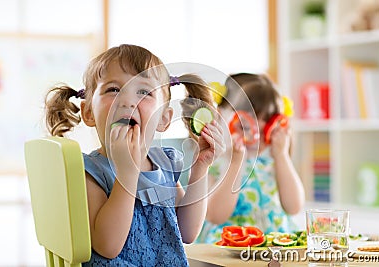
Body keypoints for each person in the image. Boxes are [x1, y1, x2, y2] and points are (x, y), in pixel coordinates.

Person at [44, 44, 225, 266]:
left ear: (164, 119)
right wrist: (127, 172)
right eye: (113, 90)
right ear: (89, 112)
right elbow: (108, 246)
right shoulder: (90, 171)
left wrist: (200, 168)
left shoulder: (164, 164)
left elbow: (187, 232)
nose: (128, 101)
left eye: (144, 92)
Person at [197, 73, 305, 243]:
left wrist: (282, 155)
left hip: (274, 244)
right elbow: (215, 215)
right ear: (221, 116)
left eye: (266, 127)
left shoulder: (273, 162)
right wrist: (236, 162)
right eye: (246, 125)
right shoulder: (214, 162)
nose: (257, 135)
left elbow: (294, 207)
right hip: (231, 245)